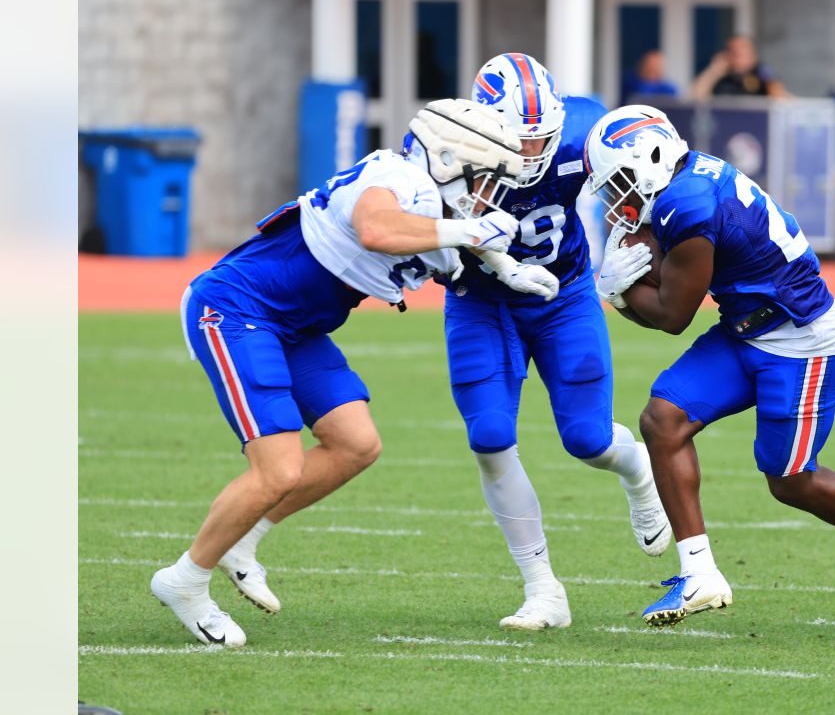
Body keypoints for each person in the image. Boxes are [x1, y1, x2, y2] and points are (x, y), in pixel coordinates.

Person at [149, 99, 559, 647]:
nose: (484, 191)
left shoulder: (429, 199)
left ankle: (243, 540)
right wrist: (467, 233)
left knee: (356, 443)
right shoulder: (400, 177)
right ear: (446, 157)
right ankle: (185, 580)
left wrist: (507, 266)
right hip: (237, 309)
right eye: (482, 174)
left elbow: (447, 252)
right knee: (278, 469)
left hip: (293, 325)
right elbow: (376, 228)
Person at [584, 104, 835, 626]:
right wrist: (627, 287)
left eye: (618, 183)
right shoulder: (685, 179)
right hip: (750, 326)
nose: (616, 199)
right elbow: (666, 284)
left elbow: (673, 315)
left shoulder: (689, 205)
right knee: (663, 419)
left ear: (651, 161)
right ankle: (700, 574)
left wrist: (618, 290)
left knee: (789, 482)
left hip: (803, 342)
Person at [461, 53, 672, 631]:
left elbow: (633, 196)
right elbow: (425, 233)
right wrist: (496, 263)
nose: (532, 153)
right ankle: (543, 590)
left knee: (587, 439)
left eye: (542, 140)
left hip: (564, 293)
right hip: (481, 301)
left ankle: (638, 473)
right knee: (490, 435)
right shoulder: (443, 145)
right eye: (519, 142)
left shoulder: (585, 129)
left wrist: (623, 254)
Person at [690, 35, 789, 99]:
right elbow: (696, 96)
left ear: (753, 55)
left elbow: (782, 99)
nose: (737, 55)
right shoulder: (722, 76)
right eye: (732, 51)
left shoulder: (761, 73)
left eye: (742, 50)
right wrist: (713, 71)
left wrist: (770, 81)